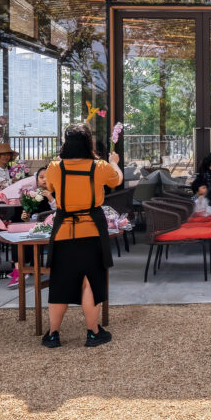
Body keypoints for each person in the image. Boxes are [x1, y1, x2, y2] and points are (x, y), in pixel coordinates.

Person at [42, 125, 123, 348]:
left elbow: (49, 186)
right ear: (89, 144)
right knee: (90, 281)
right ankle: (93, 332)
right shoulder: (100, 166)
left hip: (63, 230)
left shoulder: (54, 167)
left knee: (59, 282)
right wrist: (114, 161)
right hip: (92, 231)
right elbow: (117, 180)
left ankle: (53, 334)